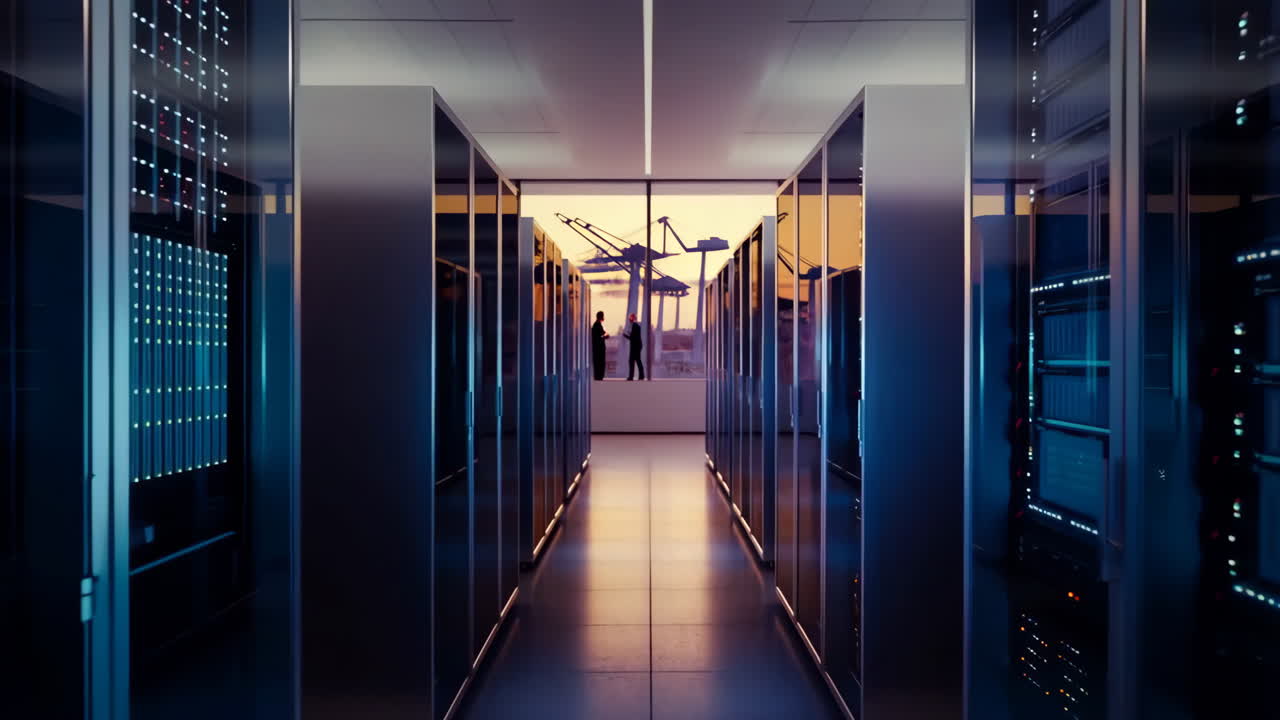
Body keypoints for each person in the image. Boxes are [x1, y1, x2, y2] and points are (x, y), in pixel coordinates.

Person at [623, 312, 644, 381]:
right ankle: (641, 376)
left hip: (635, 346)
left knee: (632, 361)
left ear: (632, 318)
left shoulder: (634, 326)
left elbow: (632, 338)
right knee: (637, 361)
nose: (629, 319)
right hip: (637, 346)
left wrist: (625, 335)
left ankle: (631, 376)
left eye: (630, 317)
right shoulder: (636, 326)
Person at [591, 311, 608, 381]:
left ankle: (598, 376)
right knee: (599, 362)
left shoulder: (596, 325)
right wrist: (605, 336)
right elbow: (599, 336)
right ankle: (599, 376)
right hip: (599, 349)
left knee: (598, 362)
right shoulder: (597, 325)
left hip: (597, 348)